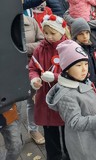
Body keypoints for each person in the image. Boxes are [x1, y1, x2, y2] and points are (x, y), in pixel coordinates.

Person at [45, 40, 96, 160]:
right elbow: (74, 122)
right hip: (83, 143)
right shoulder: (67, 95)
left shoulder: (81, 81)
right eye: (78, 65)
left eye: (85, 64)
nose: (84, 69)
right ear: (66, 68)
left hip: (91, 135)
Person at [28, 14, 69, 159]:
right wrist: (35, 79)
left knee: (67, 131)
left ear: (62, 32)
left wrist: (56, 77)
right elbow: (33, 68)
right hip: (46, 95)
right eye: (46, 33)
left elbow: (76, 73)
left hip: (65, 96)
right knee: (50, 131)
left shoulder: (68, 48)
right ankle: (54, 156)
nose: (49, 36)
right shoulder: (40, 48)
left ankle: (69, 154)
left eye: (53, 33)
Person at [24, 16, 45, 145]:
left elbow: (41, 41)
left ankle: (33, 129)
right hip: (10, 69)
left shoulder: (30, 21)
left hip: (31, 66)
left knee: (33, 100)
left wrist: (22, 48)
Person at [70, 18, 96, 93]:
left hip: (95, 85)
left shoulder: (92, 47)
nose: (85, 36)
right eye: (81, 34)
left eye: (87, 33)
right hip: (84, 87)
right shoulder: (75, 51)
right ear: (75, 35)